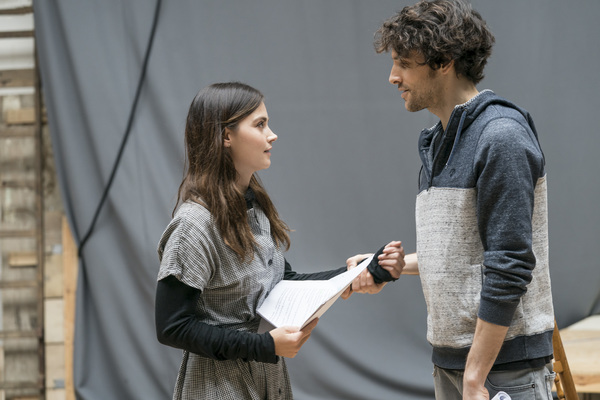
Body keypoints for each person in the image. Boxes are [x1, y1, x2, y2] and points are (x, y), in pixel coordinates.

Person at [154, 82, 404, 400]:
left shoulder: (252, 206)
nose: (272, 135)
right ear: (226, 136)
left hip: (267, 379)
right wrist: (264, 345)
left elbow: (282, 283)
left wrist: (357, 273)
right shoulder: (194, 225)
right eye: (260, 125)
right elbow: (172, 326)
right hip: (218, 387)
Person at [358, 1, 556, 399]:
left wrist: (474, 377)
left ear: (444, 60)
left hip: (499, 374)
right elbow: (465, 254)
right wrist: (394, 266)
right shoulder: (439, 140)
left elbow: (510, 264)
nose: (393, 77)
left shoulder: (500, 137)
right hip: (454, 366)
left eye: (403, 63)